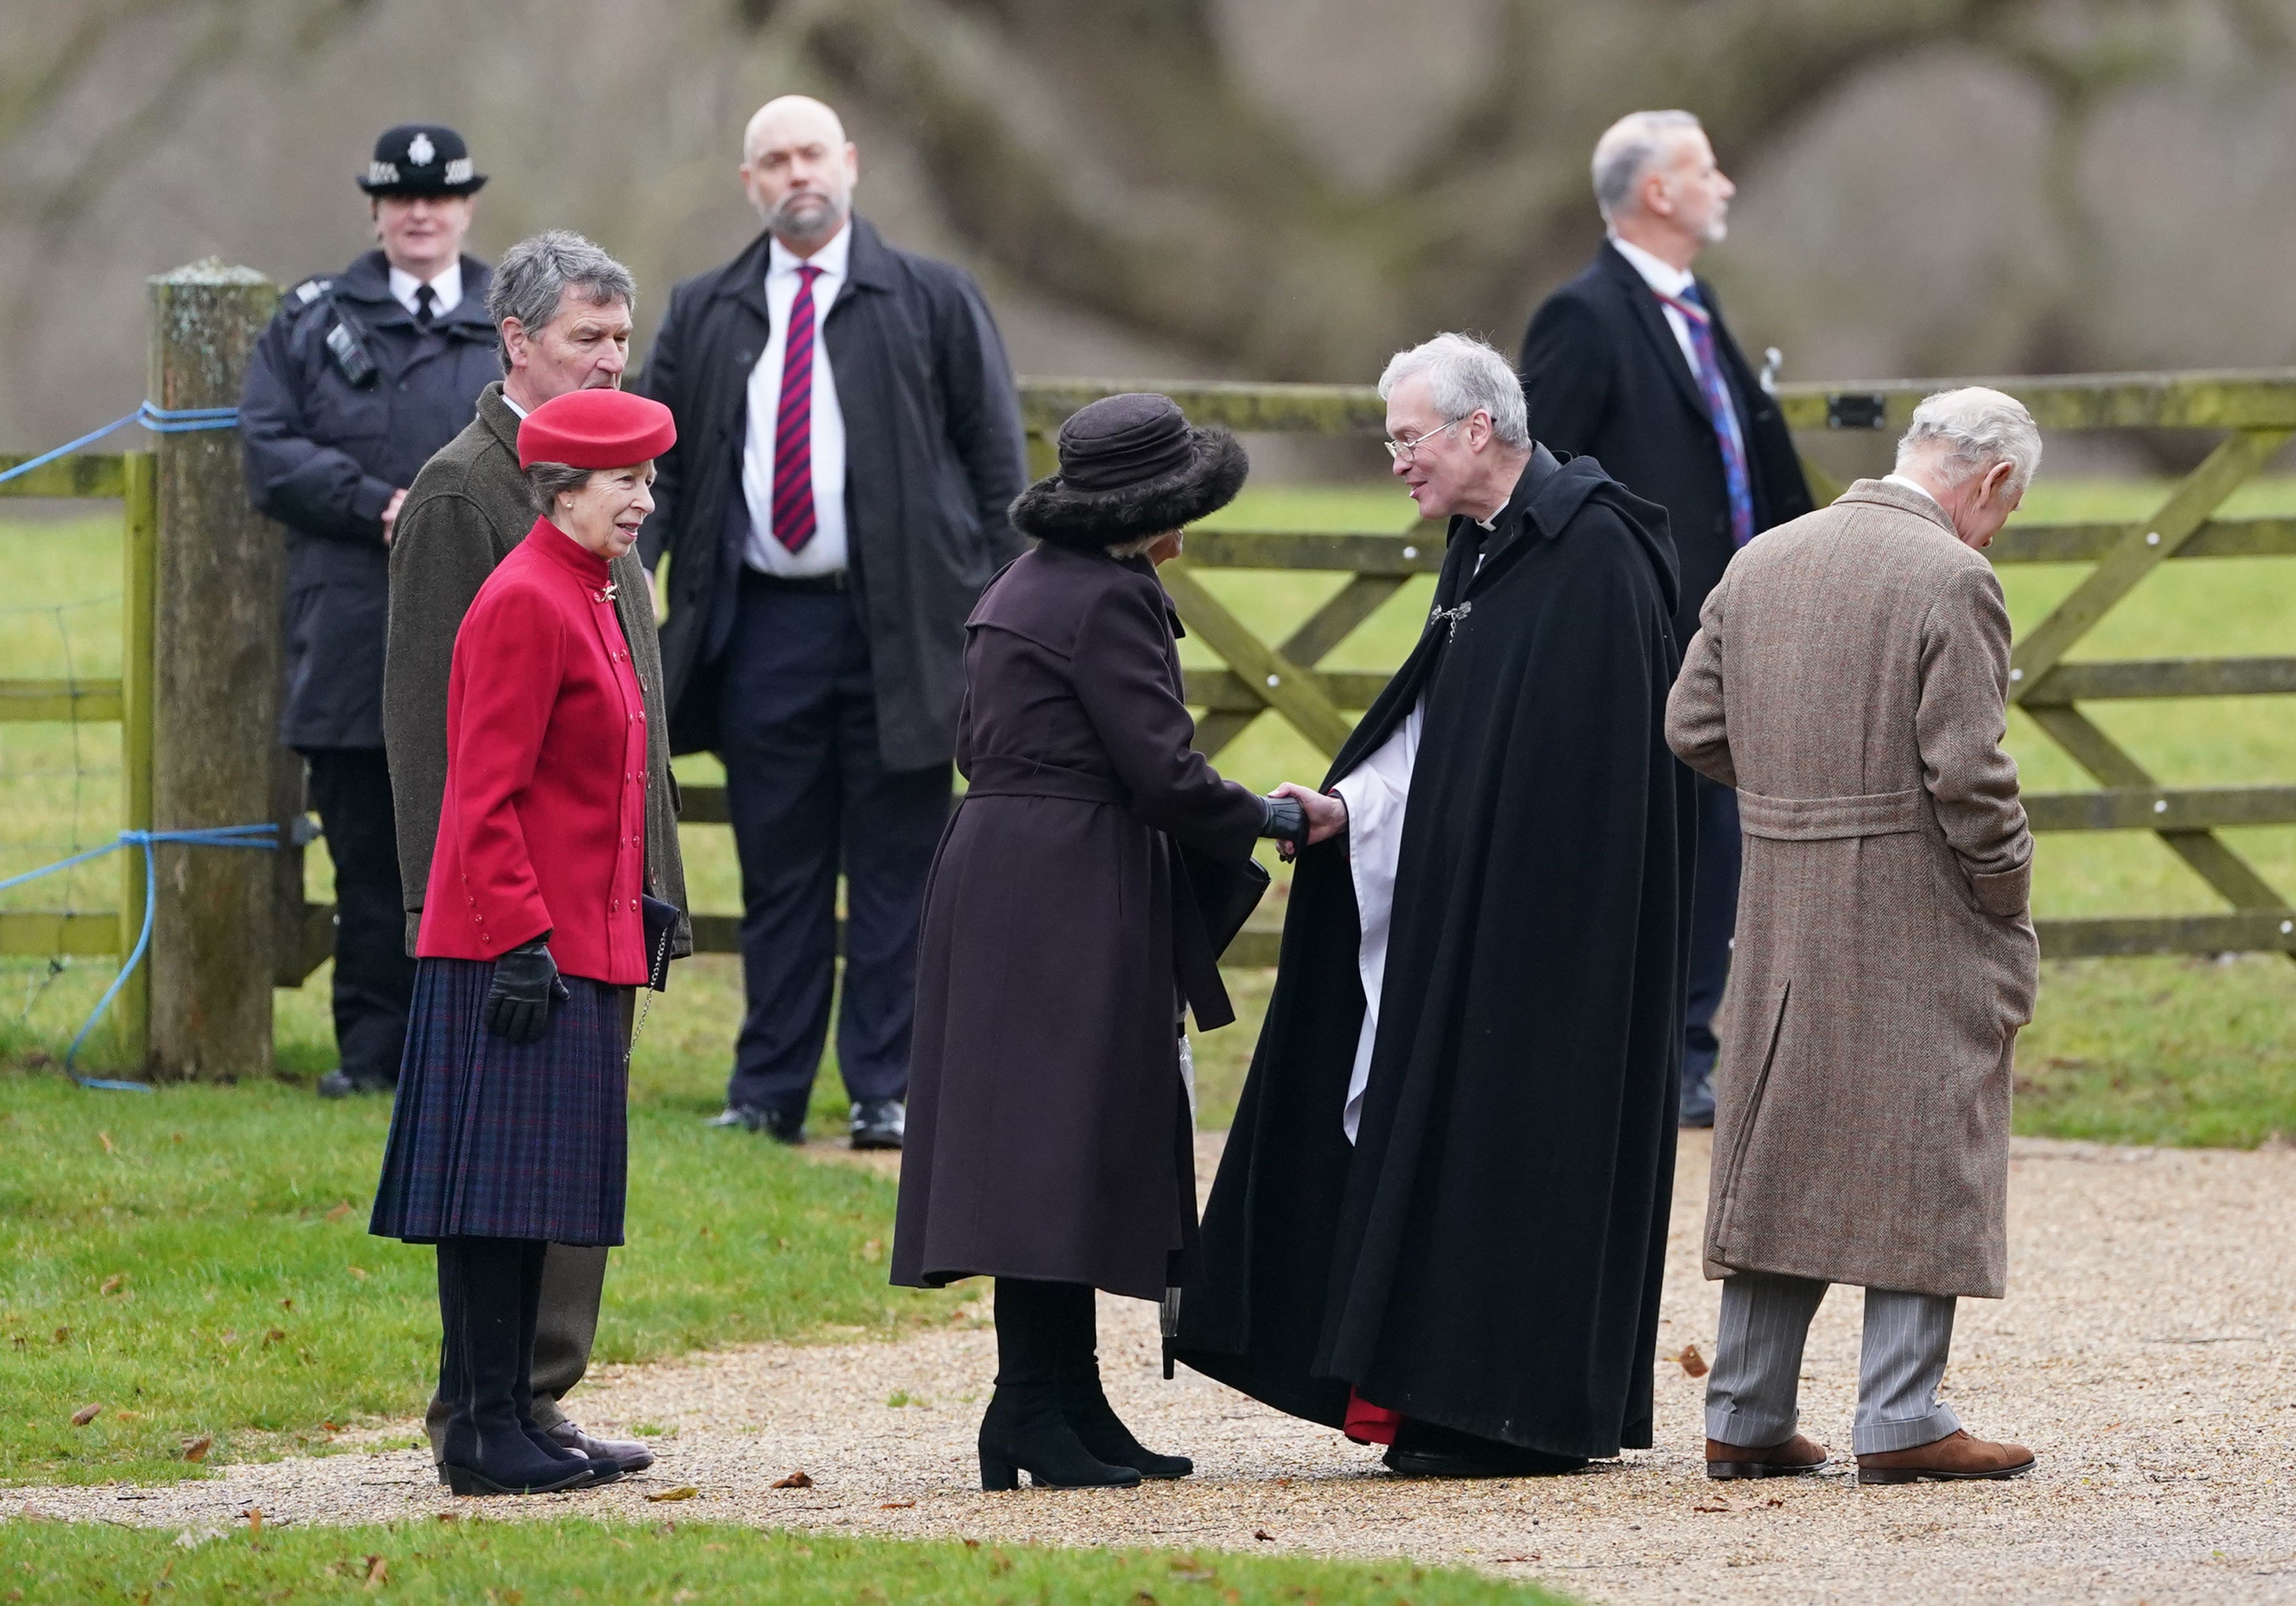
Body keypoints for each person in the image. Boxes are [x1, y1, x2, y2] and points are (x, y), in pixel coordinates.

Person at [1173, 334, 1692, 1479]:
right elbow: (1438, 733)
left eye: (1407, 437)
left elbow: (1601, 781)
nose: (1395, 459)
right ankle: (1430, 1393)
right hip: (1463, 919)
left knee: (1518, 1146)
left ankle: (1511, 1405)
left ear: (1476, 430)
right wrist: (1349, 809)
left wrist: (1524, 901)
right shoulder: (1482, 549)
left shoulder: (1596, 552)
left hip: (1554, 941)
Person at [891, 394, 1305, 1491]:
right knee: (1055, 1142)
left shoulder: (1028, 584)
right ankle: (1028, 1404)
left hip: (1006, 872)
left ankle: (1062, 1399)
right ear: (1146, 510)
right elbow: (1161, 770)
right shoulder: (1110, 597)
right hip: (1062, 884)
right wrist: (1268, 818)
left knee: (1044, 1145)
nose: (1189, 525)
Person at [1665, 387, 2043, 1487]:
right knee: (1927, 1132)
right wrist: (2006, 885)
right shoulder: (1953, 577)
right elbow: (1967, 774)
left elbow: (1689, 724)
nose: (1998, 528)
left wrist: (1794, 794)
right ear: (1990, 483)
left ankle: (1741, 1411)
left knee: (1785, 1135)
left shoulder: (1764, 558)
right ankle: (1900, 1413)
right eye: (2005, 509)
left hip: (1781, 893)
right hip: (1915, 895)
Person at [639, 94, 1028, 1150]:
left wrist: (1009, 627)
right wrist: (622, 583)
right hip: (763, 630)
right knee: (779, 871)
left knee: (900, 868)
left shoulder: (934, 300)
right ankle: (765, 1089)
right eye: (773, 159)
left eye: (812, 152)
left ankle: (887, 1088)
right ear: (749, 182)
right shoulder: (706, 309)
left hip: (906, 630)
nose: (795, 172)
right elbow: (658, 477)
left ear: (849, 163)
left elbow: (1000, 473)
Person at [383, 232, 686, 1480]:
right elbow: (442, 736)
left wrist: (646, 883)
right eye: (586, 339)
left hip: (596, 896)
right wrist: (460, 916)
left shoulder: (603, 518)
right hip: (512, 912)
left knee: (560, 1172)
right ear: (518, 343)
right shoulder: (472, 498)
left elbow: (626, 721)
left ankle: (532, 1401)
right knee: (505, 1176)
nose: (610, 359)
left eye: (622, 338)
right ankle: (488, 1412)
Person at [1518, 109, 1814, 1129]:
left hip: (1737, 627)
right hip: (1643, 633)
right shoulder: (1582, 315)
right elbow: (1535, 478)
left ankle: (1694, 1048)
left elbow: (1747, 455)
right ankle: (1649, 1054)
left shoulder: (1696, 306)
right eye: (1704, 171)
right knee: (1659, 839)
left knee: (1722, 837)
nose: (1723, 185)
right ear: (1655, 193)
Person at [242, 124, 501, 1100]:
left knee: (481, 841)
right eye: (401, 199)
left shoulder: (514, 320)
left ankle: (472, 1049)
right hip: (353, 630)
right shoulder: (309, 323)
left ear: (468, 206)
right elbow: (267, 449)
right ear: (376, 210)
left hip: (483, 627)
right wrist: (376, 503)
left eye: (439, 198)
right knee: (364, 848)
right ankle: (372, 1054)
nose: (421, 213)